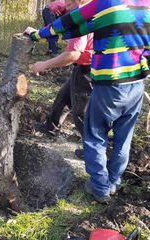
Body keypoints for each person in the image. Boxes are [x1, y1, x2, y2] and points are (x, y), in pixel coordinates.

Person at [25, 0, 149, 204]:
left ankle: (100, 188)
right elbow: (81, 28)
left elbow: (65, 23)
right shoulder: (145, 5)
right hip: (136, 85)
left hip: (109, 84)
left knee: (95, 135)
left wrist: (36, 35)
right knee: (123, 138)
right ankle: (113, 182)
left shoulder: (104, 3)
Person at [35, 0, 93, 138]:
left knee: (80, 113)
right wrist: (37, 33)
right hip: (81, 66)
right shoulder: (90, 12)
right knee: (63, 97)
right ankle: (50, 128)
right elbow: (57, 30)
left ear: (80, 1)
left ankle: (93, 149)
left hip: (88, 70)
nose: (66, 10)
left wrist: (44, 64)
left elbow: (72, 55)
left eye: (69, 5)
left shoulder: (81, 18)